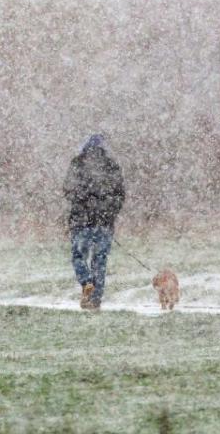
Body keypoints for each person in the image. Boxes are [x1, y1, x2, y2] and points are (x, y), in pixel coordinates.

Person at [62, 133, 125, 310]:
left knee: (78, 256)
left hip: (81, 222)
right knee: (100, 260)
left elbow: (68, 190)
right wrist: (109, 213)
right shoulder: (112, 166)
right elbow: (120, 195)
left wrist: (83, 203)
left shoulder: (77, 164)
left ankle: (86, 282)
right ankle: (95, 299)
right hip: (104, 223)